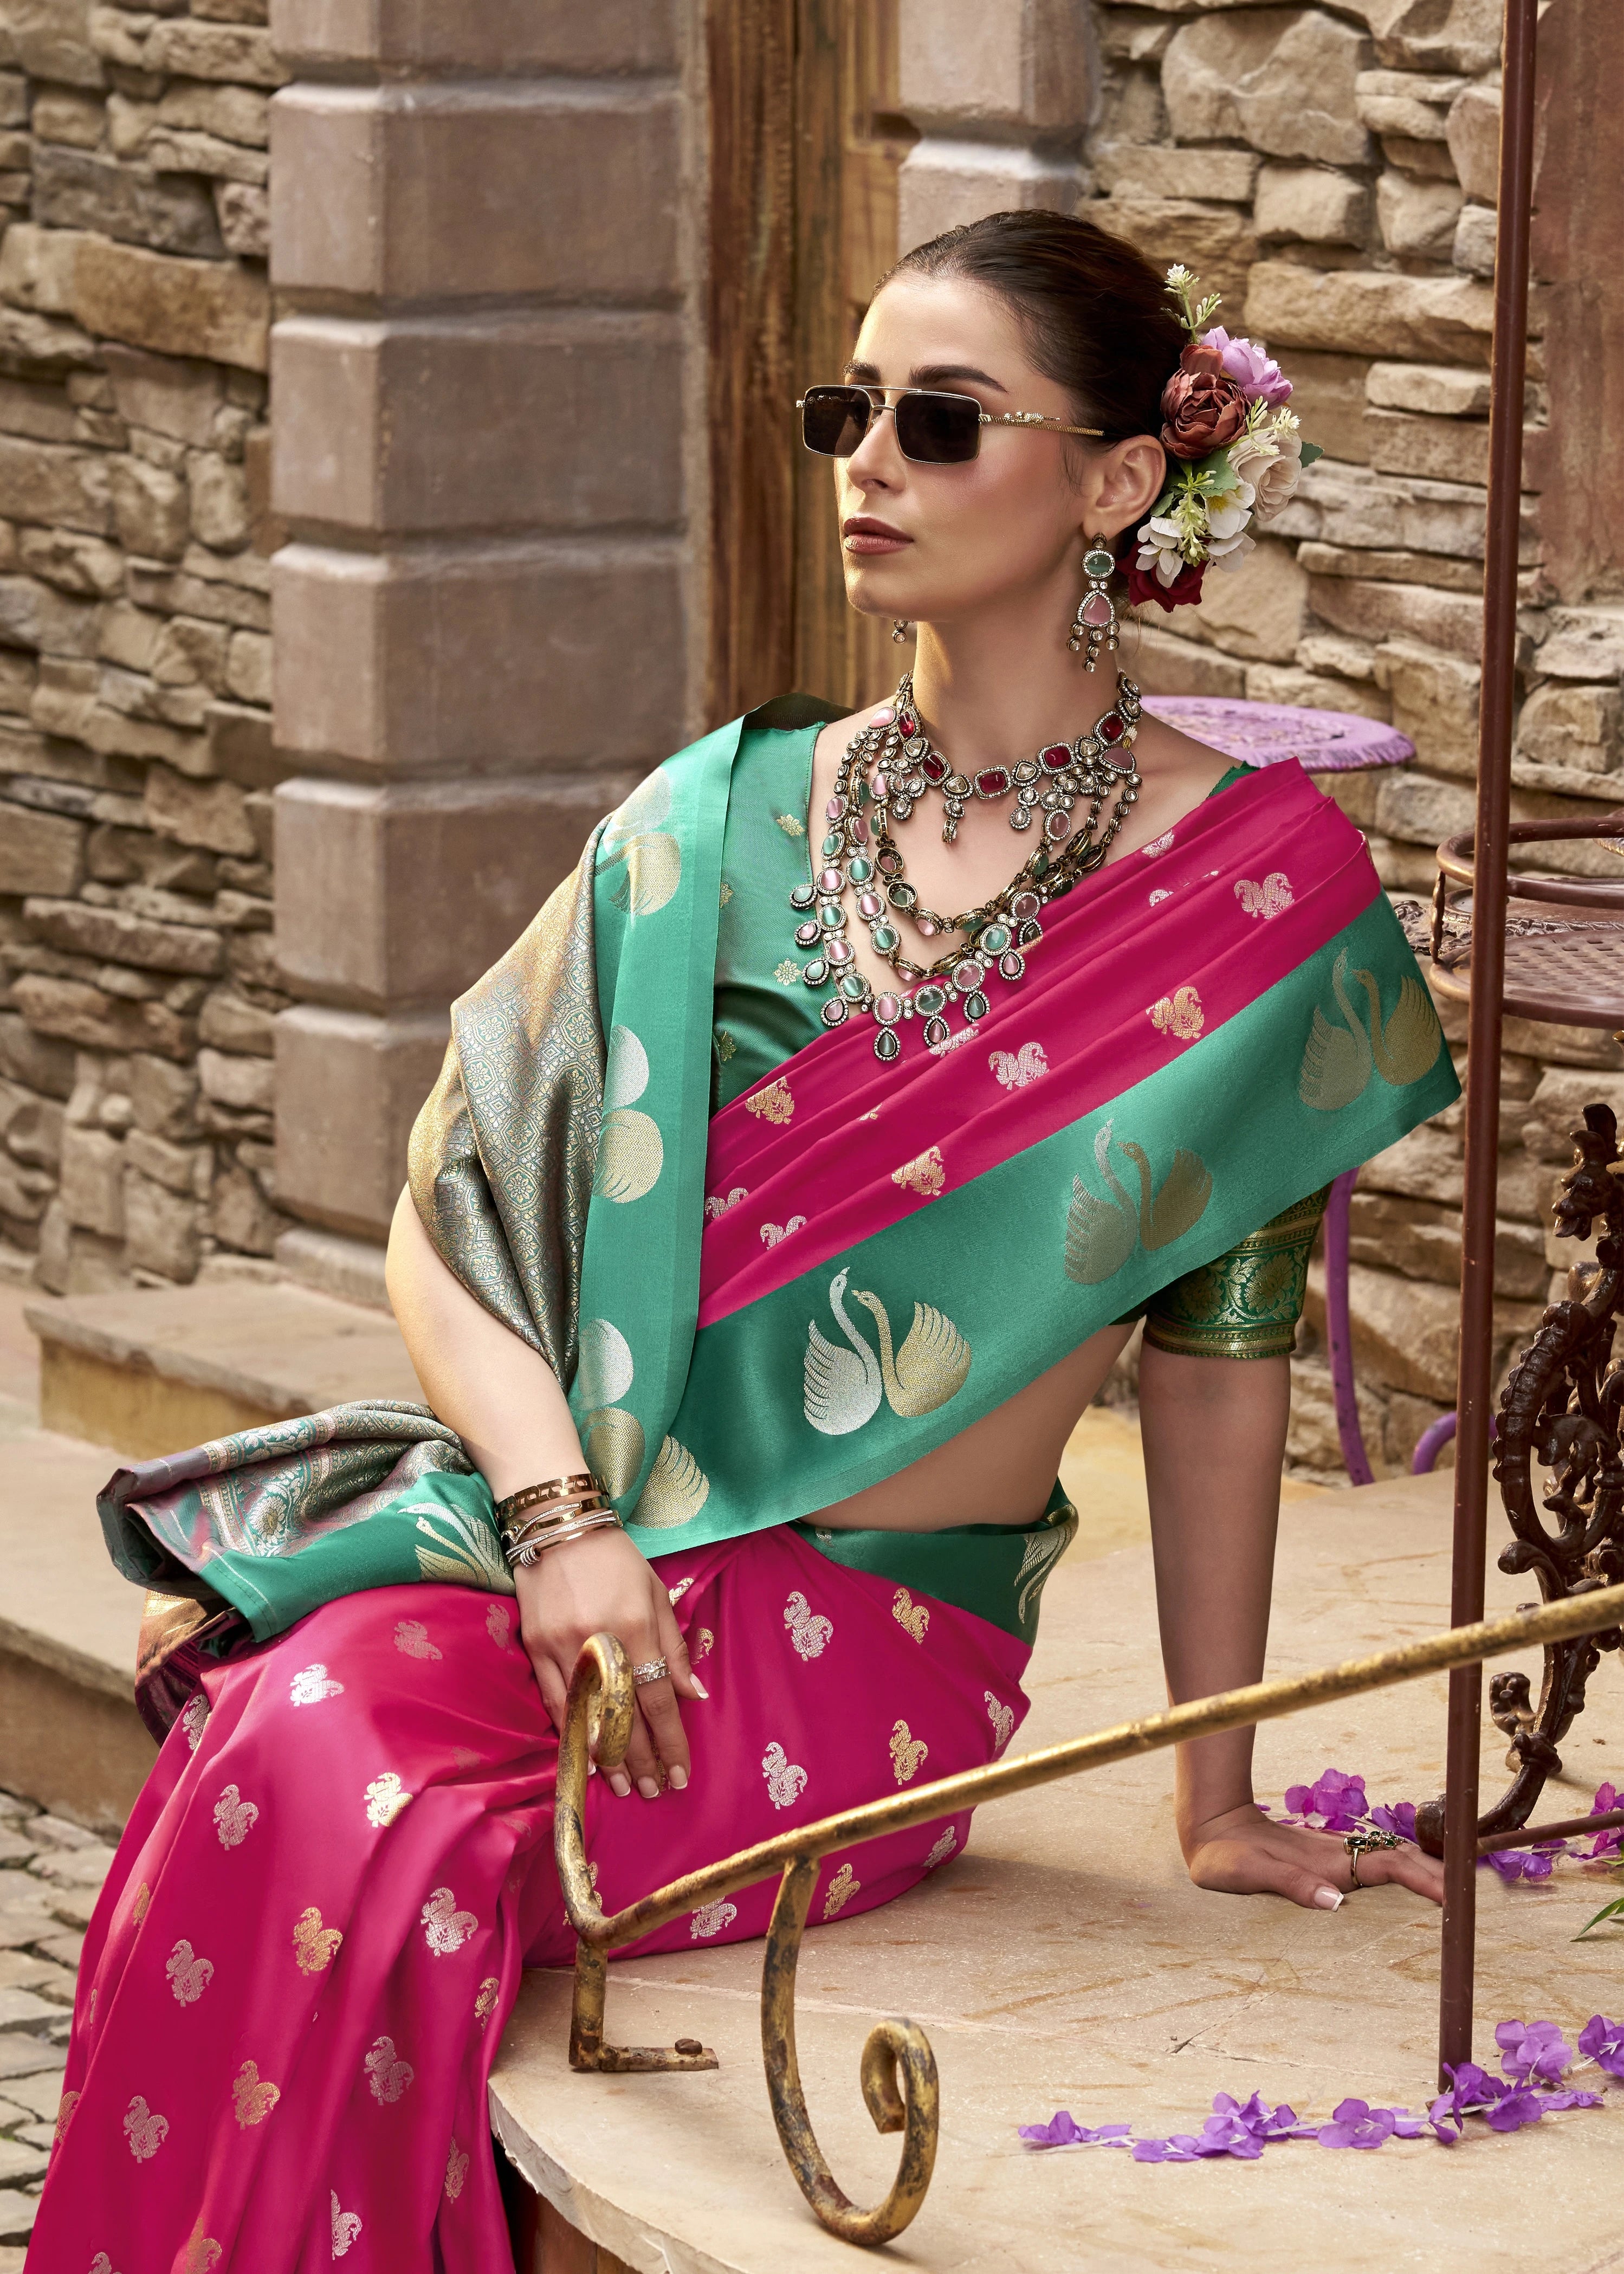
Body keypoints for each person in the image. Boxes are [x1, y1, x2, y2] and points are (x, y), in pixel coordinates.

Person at [31, 212, 1457, 2271]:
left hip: (871, 1643)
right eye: (848, 409)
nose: (869, 460)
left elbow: (1223, 1363)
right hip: (587, 1550)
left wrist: (1212, 1790)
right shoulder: (715, 815)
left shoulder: (1254, 894)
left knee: (360, 1778)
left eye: (942, 420)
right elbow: (456, 1222)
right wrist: (557, 1524)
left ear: (1123, 483)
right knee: (271, 1731)